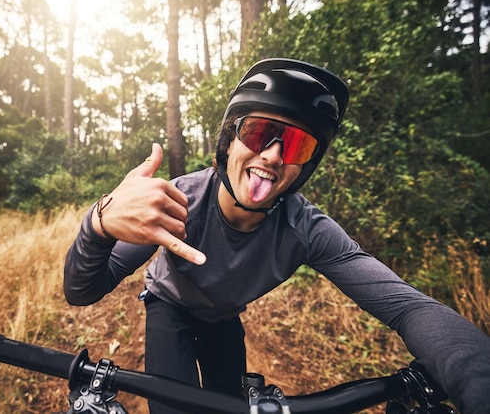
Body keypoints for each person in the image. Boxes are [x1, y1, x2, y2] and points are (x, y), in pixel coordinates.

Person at [64, 58, 490, 414]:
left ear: (305, 167)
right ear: (228, 143)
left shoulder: (307, 230)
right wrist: (99, 223)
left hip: (223, 317)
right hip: (169, 306)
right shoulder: (180, 200)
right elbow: (82, 291)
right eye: (257, 133)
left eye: (297, 145)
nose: (271, 155)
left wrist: (477, 377)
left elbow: (407, 308)